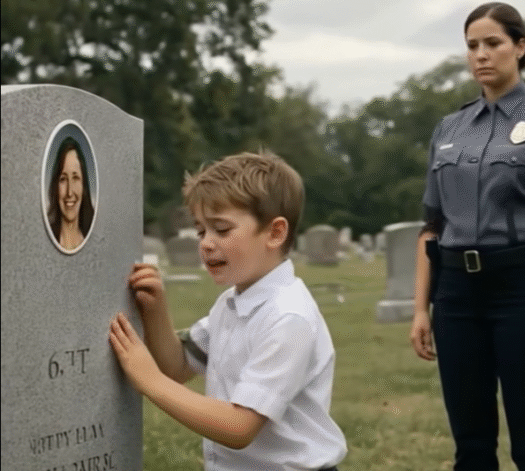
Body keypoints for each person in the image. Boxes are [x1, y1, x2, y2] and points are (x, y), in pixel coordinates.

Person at [409, 2, 525, 470]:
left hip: (522, 291)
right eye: (472, 46)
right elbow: (432, 226)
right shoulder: (448, 129)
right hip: (456, 296)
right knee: (470, 443)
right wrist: (419, 310)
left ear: (520, 47)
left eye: (493, 43)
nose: (481, 55)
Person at [108, 151, 346, 471]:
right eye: (201, 231)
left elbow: (238, 427)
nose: (206, 243)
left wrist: (149, 381)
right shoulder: (231, 304)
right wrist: (154, 309)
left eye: (221, 229)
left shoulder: (288, 317)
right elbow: (178, 366)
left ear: (275, 233)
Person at [47, 136, 95, 251]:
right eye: (63, 179)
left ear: (84, 186)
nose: (69, 192)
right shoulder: (44, 239)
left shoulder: (96, 239)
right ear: (55, 186)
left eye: (75, 178)